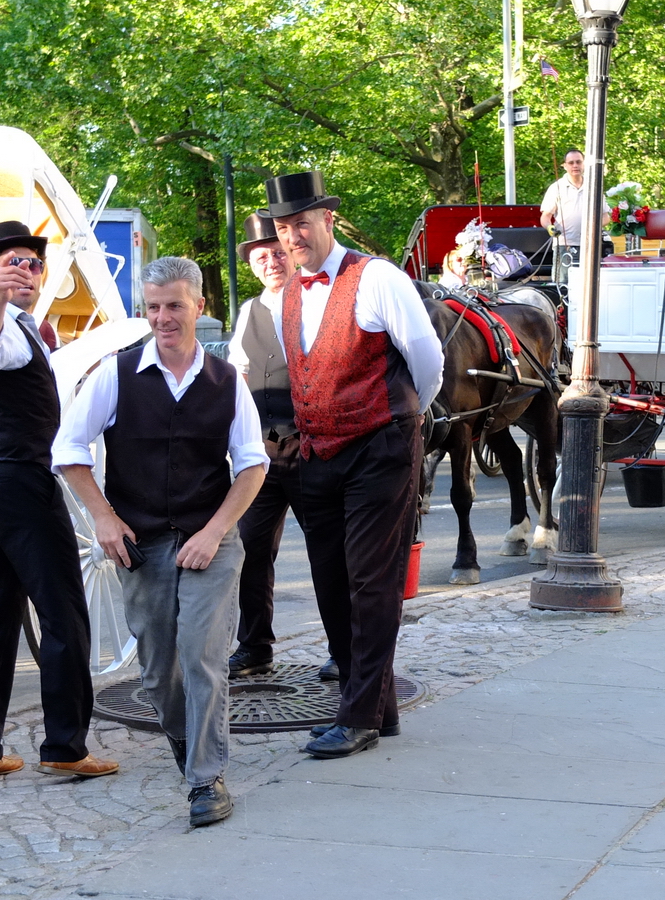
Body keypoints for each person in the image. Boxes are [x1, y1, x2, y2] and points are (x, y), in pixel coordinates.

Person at [53, 257, 268, 826]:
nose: (163, 317)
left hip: (211, 541)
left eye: (174, 305)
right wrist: (101, 517)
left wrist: (215, 532)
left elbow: (251, 467)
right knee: (157, 668)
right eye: (152, 307)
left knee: (202, 656)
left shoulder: (227, 383)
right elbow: (68, 452)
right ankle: (185, 738)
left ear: (199, 305)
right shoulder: (116, 374)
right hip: (140, 543)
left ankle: (206, 779)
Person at [258, 170, 444, 759]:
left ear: (328, 221)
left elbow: (426, 359)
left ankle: (358, 713)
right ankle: (379, 710)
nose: (294, 237)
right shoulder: (286, 294)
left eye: (302, 224)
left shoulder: (378, 277)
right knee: (330, 582)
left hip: (379, 447)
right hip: (316, 453)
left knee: (370, 581)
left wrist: (401, 417)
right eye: (284, 228)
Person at [0, 221, 118, 786]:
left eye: (34, 263)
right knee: (64, 612)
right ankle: (66, 747)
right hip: (18, 480)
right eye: (13, 262)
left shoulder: (30, 330)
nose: (27, 270)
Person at [224, 212, 304, 677]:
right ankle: (255, 647)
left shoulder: (315, 302)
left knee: (328, 551)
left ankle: (341, 649)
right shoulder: (249, 312)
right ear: (252, 265)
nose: (271, 262)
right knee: (252, 550)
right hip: (265, 455)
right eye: (261, 257)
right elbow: (237, 378)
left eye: (277, 253)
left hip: (314, 448)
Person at [539, 149, 610, 287]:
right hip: (565, 246)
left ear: (584, 164)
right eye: (571, 163)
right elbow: (545, 217)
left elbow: (606, 217)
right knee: (563, 287)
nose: (575, 166)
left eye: (578, 162)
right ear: (564, 166)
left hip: (591, 246)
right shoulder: (556, 188)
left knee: (590, 286)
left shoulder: (594, 187)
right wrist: (549, 227)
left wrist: (593, 228)